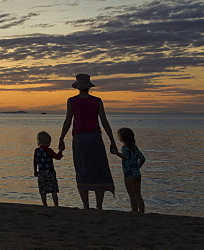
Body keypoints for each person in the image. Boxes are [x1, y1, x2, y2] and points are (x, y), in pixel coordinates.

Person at [58, 73, 116, 209]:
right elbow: (104, 121)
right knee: (98, 168)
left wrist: (61, 138)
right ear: (89, 87)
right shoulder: (97, 101)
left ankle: (86, 205)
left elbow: (68, 121)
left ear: (78, 87)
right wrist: (112, 140)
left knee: (82, 169)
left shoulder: (72, 101)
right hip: (94, 138)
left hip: (79, 139)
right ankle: (99, 206)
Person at [112, 127, 146, 213]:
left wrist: (116, 153)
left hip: (128, 174)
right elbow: (142, 158)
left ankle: (134, 212)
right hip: (137, 174)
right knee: (138, 195)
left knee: (132, 196)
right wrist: (137, 167)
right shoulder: (135, 148)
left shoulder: (125, 148)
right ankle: (142, 212)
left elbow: (125, 157)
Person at [33, 131, 64, 207]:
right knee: (53, 189)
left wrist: (35, 171)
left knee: (43, 190)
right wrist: (61, 151)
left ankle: (44, 204)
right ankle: (56, 205)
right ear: (47, 141)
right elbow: (57, 157)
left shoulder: (37, 151)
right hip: (50, 172)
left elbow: (35, 161)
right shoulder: (49, 150)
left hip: (41, 173)